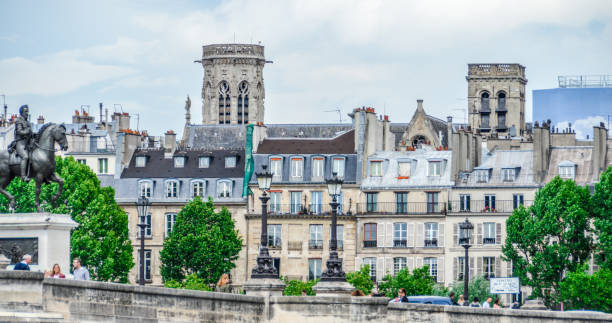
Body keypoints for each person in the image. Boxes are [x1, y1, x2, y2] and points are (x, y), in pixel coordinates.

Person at [8, 105, 33, 181]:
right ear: (21, 112)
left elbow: (30, 133)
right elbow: (19, 131)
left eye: (28, 111)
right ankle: (23, 176)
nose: (27, 113)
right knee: (25, 156)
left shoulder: (27, 122)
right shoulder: (18, 120)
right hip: (20, 143)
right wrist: (27, 131)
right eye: (26, 111)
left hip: (28, 143)